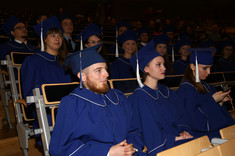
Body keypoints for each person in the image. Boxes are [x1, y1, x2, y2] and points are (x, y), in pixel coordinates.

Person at [49, 44, 147, 156]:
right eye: (98, 70)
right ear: (82, 76)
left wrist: (130, 147)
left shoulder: (118, 97)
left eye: (105, 69)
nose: (107, 74)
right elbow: (60, 148)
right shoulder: (72, 104)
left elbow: (134, 130)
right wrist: (108, 152)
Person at [129, 40, 193, 156]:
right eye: (158, 64)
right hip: (164, 146)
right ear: (146, 69)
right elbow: (149, 132)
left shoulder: (167, 92)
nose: (164, 68)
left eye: (163, 64)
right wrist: (175, 139)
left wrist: (184, 131)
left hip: (180, 139)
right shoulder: (140, 97)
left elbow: (182, 116)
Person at [20, 16, 72, 145]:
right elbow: (29, 93)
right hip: (46, 109)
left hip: (68, 107)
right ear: (44, 38)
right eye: (52, 35)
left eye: (59, 35)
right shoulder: (33, 61)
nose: (57, 39)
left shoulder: (66, 62)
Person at [176, 48, 235, 139]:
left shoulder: (207, 86)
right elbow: (195, 121)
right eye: (205, 68)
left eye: (210, 68)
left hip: (218, 129)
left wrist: (220, 102)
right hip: (204, 136)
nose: (209, 72)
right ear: (193, 66)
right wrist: (213, 101)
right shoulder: (186, 90)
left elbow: (216, 114)